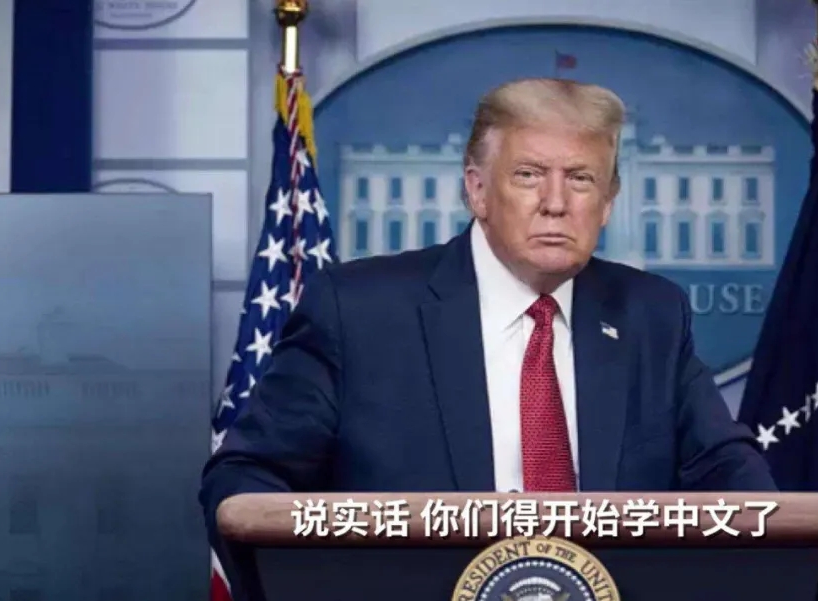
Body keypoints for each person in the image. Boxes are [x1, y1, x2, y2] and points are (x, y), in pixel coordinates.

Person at [201, 77, 776, 537]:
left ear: (607, 203)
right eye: (528, 176)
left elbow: (728, 471)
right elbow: (247, 477)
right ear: (476, 189)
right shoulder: (357, 310)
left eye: (580, 179)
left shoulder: (650, 314)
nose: (555, 203)